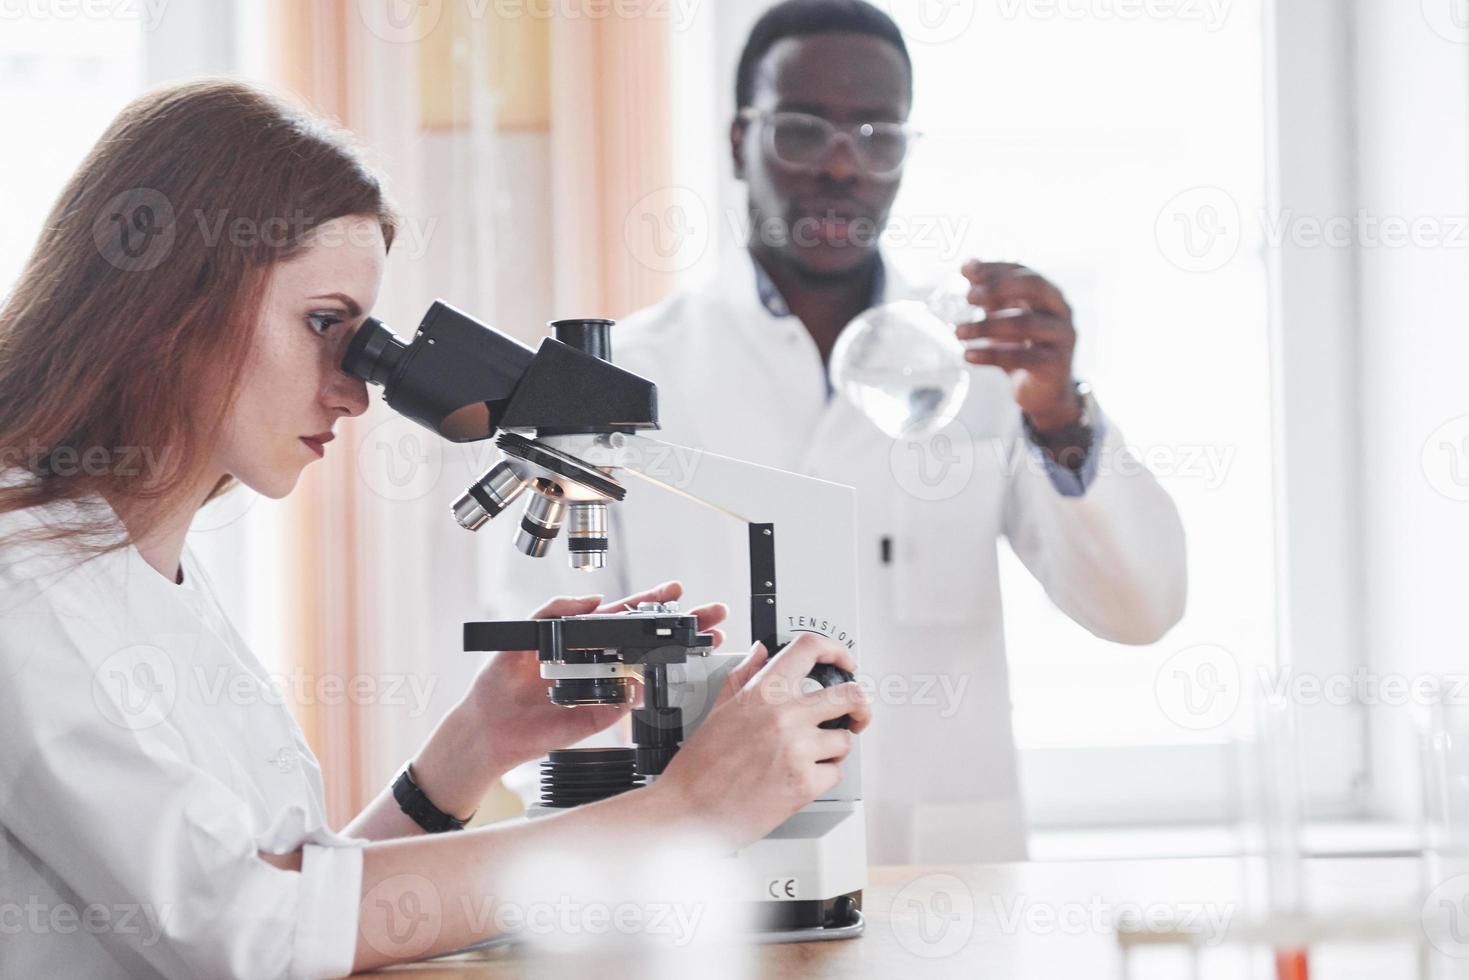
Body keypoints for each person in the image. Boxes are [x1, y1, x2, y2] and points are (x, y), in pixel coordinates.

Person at [0, 79, 871, 978]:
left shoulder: (143, 569)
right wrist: (683, 815)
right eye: (324, 325)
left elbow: (301, 908)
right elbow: (251, 933)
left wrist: (465, 754)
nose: (352, 389)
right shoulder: (26, 591)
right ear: (176, 301)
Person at [483, 0, 1187, 864]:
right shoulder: (624, 377)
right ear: (740, 140)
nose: (843, 166)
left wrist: (1062, 415)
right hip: (706, 890)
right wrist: (637, 871)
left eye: (877, 133)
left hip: (937, 877)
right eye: (804, 130)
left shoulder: (988, 371)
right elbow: (550, 680)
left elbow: (1140, 609)